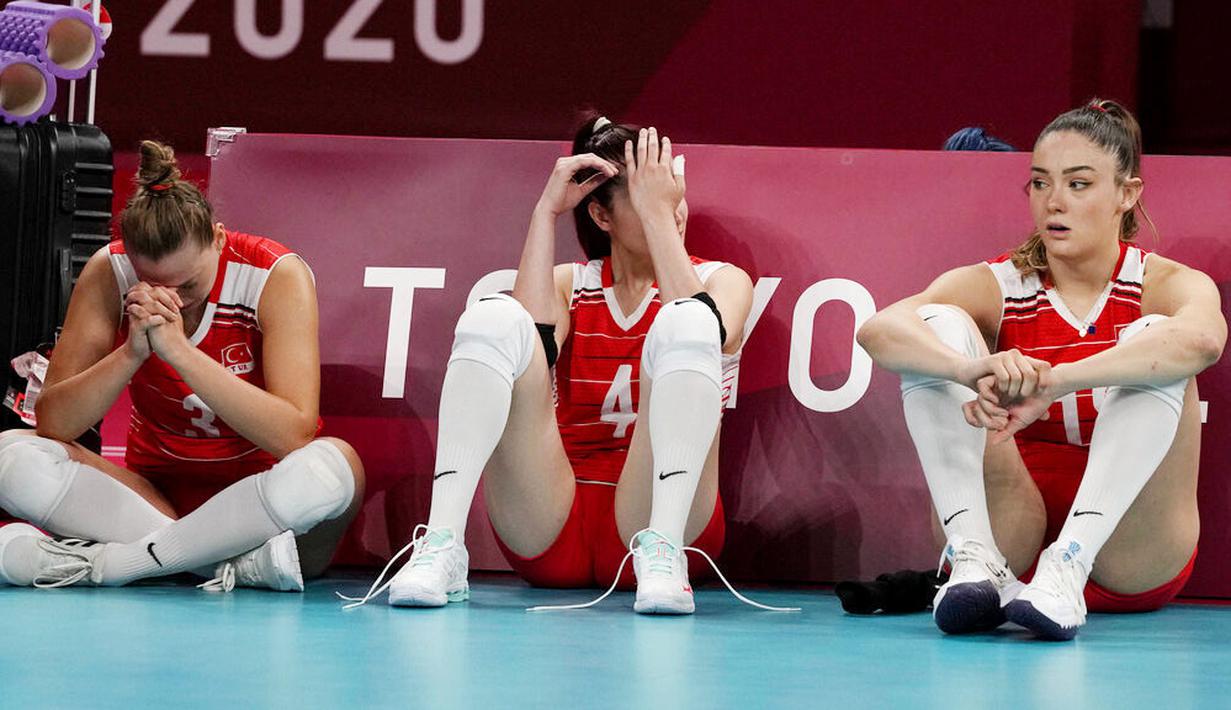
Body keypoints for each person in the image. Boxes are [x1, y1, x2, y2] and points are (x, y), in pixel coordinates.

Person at [349, 116, 758, 615]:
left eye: (672, 193)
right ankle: (441, 545)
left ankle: (664, 552)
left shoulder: (723, 280)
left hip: (658, 522)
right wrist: (546, 211)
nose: (670, 211)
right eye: (648, 198)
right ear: (601, 217)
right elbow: (531, 348)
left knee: (690, 321)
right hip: (552, 525)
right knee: (495, 316)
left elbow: (709, 333)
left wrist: (654, 216)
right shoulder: (572, 284)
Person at [857, 99, 1225, 640]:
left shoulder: (1166, 282)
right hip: (1015, 547)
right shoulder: (997, 283)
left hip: (1129, 554)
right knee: (933, 323)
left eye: (1079, 184)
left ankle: (1070, 561)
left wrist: (1056, 379)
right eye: (1039, 183)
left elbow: (1204, 341)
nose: (1054, 202)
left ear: (1127, 194)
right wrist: (968, 368)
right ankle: (974, 557)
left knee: (1159, 343)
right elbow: (878, 330)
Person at [0, 140, 365, 591]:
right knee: (11, 455)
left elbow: (293, 433)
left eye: (189, 282)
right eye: (154, 282)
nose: (175, 298)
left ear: (217, 237)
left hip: (266, 505)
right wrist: (131, 353)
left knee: (334, 467)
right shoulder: (109, 271)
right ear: (131, 260)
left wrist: (179, 352)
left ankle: (116, 565)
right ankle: (218, 567)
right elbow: (55, 423)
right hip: (152, 500)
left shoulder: (274, 274)